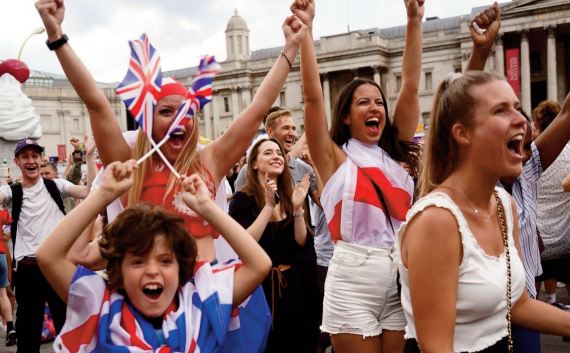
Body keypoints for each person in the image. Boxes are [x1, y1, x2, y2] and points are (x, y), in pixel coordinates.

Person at [35, 0, 307, 263]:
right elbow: (95, 103)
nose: (179, 120)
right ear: (146, 121)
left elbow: (257, 108)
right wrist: (57, 36)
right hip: (147, 297)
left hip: (204, 299)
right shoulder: (128, 165)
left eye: (187, 112)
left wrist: (291, 47)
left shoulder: (209, 162)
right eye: (166, 112)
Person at [398, 70, 570, 353]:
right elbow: (436, 346)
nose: (521, 121)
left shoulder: (504, 204)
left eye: (516, 107)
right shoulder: (437, 221)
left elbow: (516, 303)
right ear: (462, 134)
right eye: (501, 111)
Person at [293, 0, 423, 352]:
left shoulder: (396, 154)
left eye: (379, 102)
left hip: (399, 275)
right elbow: (311, 101)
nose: (375, 108)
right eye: (363, 102)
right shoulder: (335, 157)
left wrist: (414, 20)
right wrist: (306, 32)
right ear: (347, 116)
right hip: (353, 277)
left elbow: (410, 86)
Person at [36, 159, 272, 351]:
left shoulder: (199, 300)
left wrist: (206, 208)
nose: (152, 270)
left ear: (181, 267)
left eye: (165, 260)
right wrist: (101, 196)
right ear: (118, 269)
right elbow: (49, 256)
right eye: (137, 261)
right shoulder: (100, 304)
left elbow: (259, 264)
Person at [0, 138, 94, 352]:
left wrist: (88, 157)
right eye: (25, 157)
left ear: (41, 159)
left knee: (67, 327)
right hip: (28, 269)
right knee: (28, 333)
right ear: (17, 161)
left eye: (34, 156)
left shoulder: (57, 186)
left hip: (57, 267)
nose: (31, 161)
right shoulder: (11, 192)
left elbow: (89, 191)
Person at [229, 138, 319, 353]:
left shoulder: (291, 194)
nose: (276, 156)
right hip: (261, 291)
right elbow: (244, 242)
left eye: (279, 153)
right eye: (268, 153)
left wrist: (297, 209)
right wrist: (269, 207)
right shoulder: (242, 199)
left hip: (294, 287)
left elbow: (302, 242)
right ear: (254, 163)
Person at [534, 99, 570, 305]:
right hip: (565, 242)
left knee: (530, 297)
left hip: (537, 244)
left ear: (538, 124)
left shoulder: (530, 157)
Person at [0, 207, 14, 346]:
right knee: (3, 294)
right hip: (1, 254)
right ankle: (10, 327)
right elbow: (11, 221)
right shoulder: (2, 213)